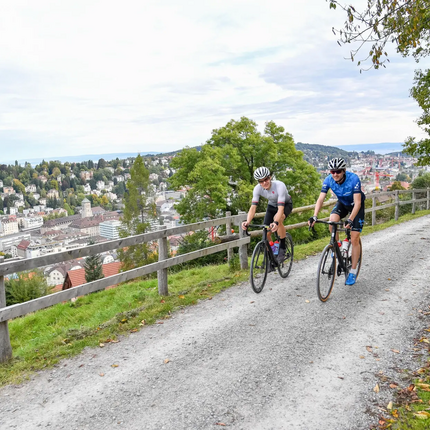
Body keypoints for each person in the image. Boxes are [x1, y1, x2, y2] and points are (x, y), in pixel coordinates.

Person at [308, 157, 365, 285]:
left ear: (344, 171)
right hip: (343, 204)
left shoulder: (353, 179)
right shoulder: (328, 180)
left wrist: (350, 220)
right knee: (332, 220)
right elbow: (320, 199)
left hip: (356, 206)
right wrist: (315, 215)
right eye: (332, 172)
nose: (335, 174)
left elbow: (357, 203)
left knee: (354, 238)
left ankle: (353, 272)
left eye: (338, 171)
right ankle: (338, 245)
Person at [241, 166, 293, 264]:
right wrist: (247, 221)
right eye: (261, 181)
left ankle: (282, 247)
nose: (264, 182)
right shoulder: (257, 189)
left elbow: (281, 209)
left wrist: (276, 222)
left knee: (279, 219)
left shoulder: (279, 186)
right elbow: (253, 208)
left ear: (270, 177)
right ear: (258, 182)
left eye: (266, 179)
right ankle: (272, 254)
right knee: (266, 231)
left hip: (285, 204)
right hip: (272, 205)